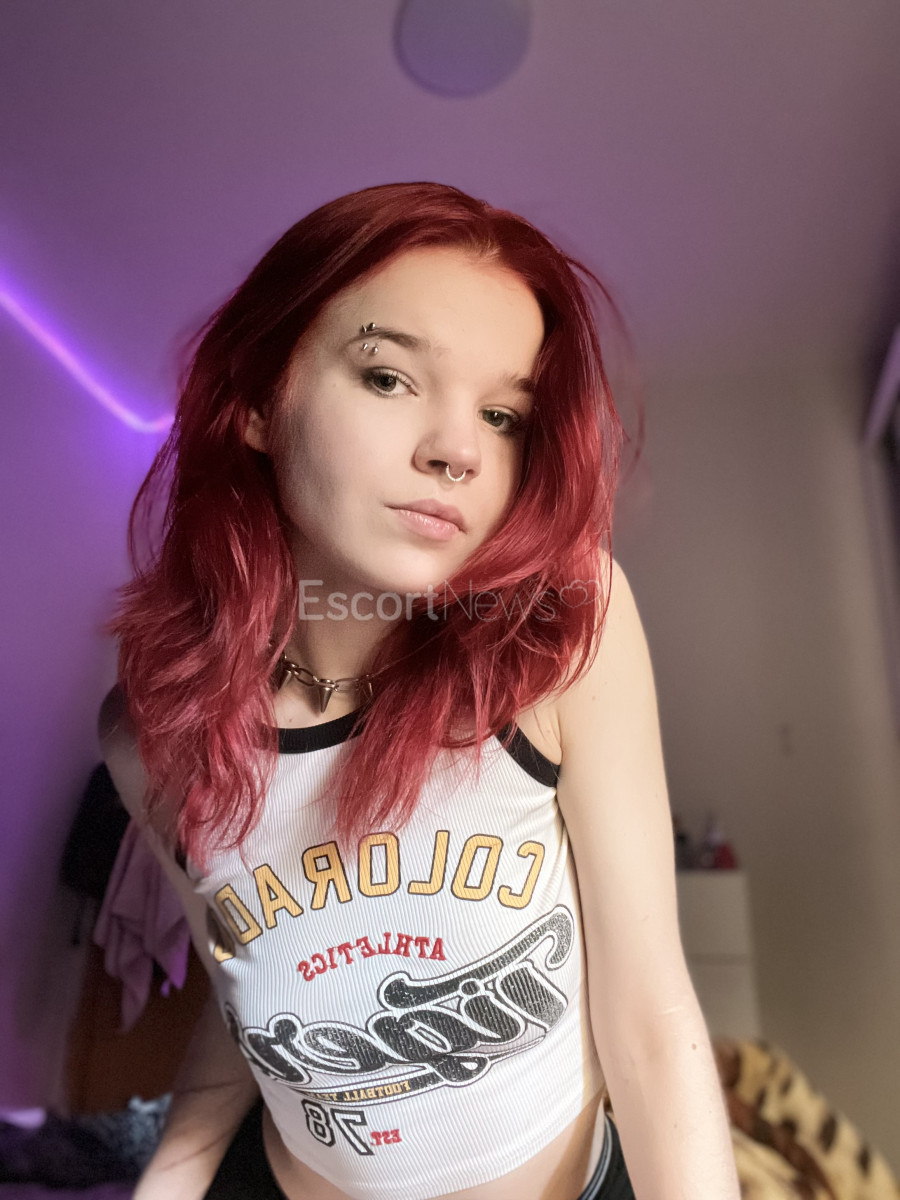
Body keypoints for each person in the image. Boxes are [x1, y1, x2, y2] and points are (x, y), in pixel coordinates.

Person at [99, 182, 739, 1200]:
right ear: (258, 400)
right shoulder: (149, 736)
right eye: (389, 377)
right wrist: (169, 1180)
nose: (459, 450)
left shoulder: (560, 632)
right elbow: (247, 1002)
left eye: (502, 415)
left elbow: (652, 1021)